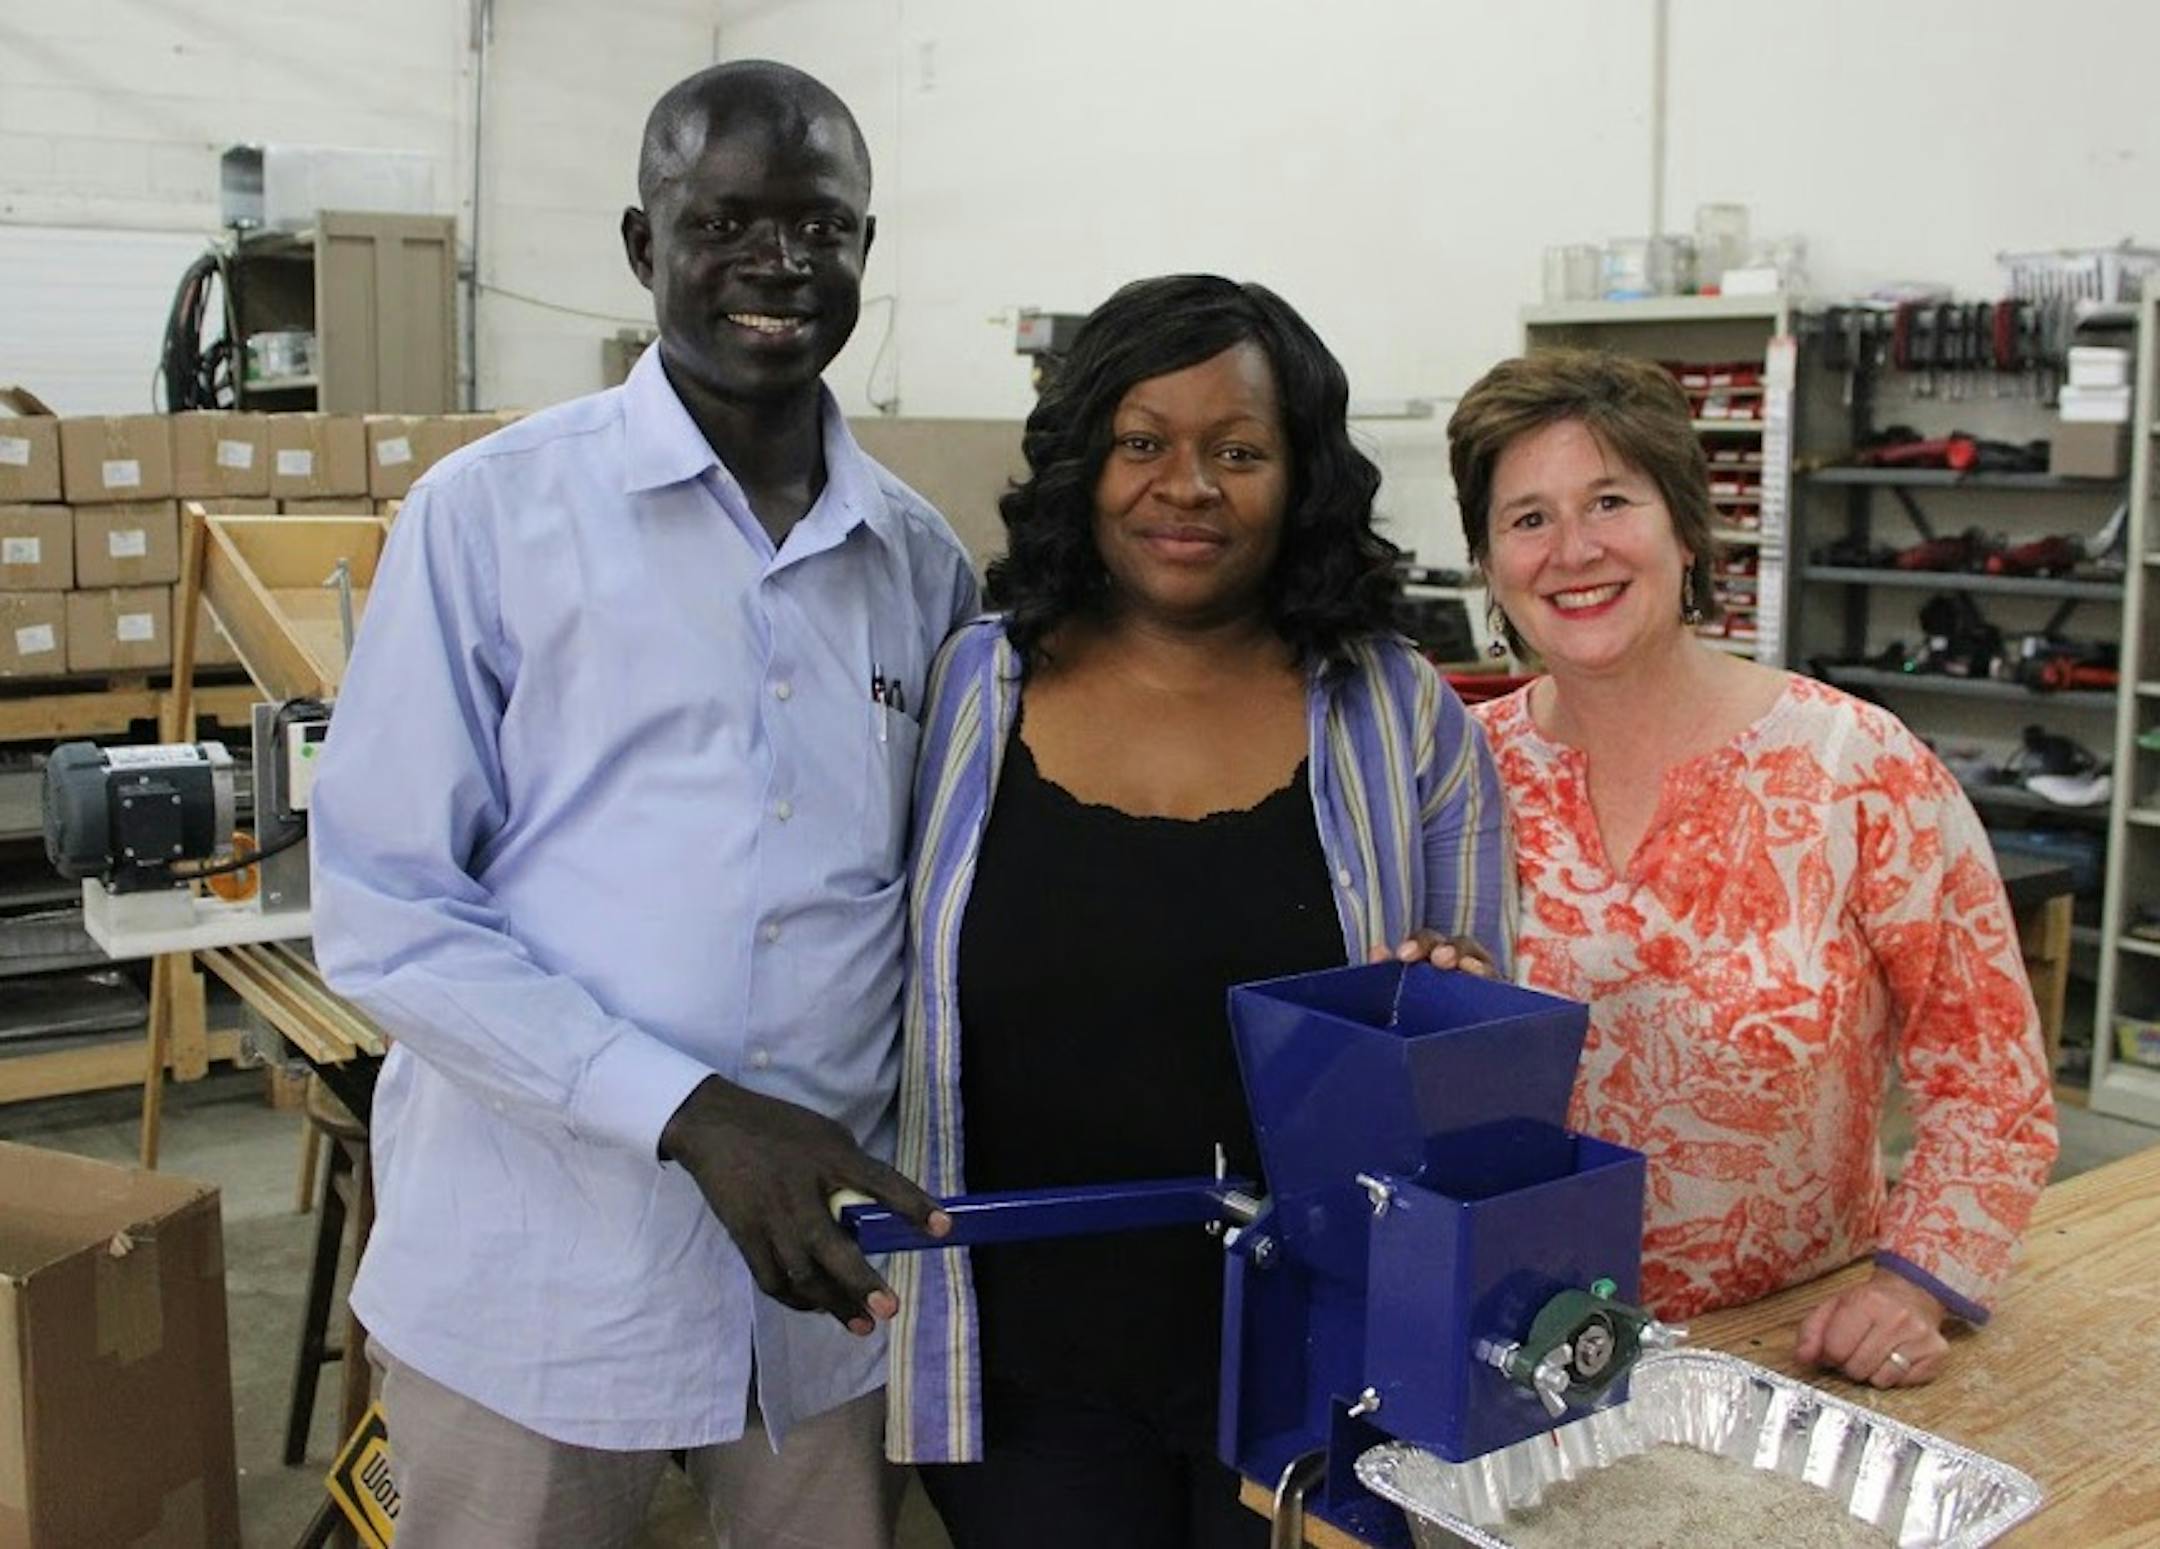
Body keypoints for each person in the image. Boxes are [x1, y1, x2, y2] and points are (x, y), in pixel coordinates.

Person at [308, 61, 977, 1549]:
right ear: (640, 242)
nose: (779, 265)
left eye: (823, 228)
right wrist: (686, 1111)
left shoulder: (920, 567)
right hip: (538, 1283)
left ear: (869, 250)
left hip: (822, 1298)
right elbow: (386, 911)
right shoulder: (488, 519)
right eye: (726, 219)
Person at [882, 274, 1511, 1548]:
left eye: (1239, 450)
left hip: (1314, 1366)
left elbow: (1482, 1038)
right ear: (1081, 463)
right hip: (1025, 1369)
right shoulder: (968, 687)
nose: (1189, 486)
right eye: (1141, 443)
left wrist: (1449, 992)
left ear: (1303, 476)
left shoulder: (1397, 712)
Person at [1445, 347, 2059, 1391]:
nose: (1573, 549)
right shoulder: (1457, 778)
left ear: (1688, 528)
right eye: (1528, 517)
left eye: (1609, 500)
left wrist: (1912, 1287)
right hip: (1506, 1351)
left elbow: (1990, 1078)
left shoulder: (1854, 769)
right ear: (1490, 562)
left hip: (1782, 1356)